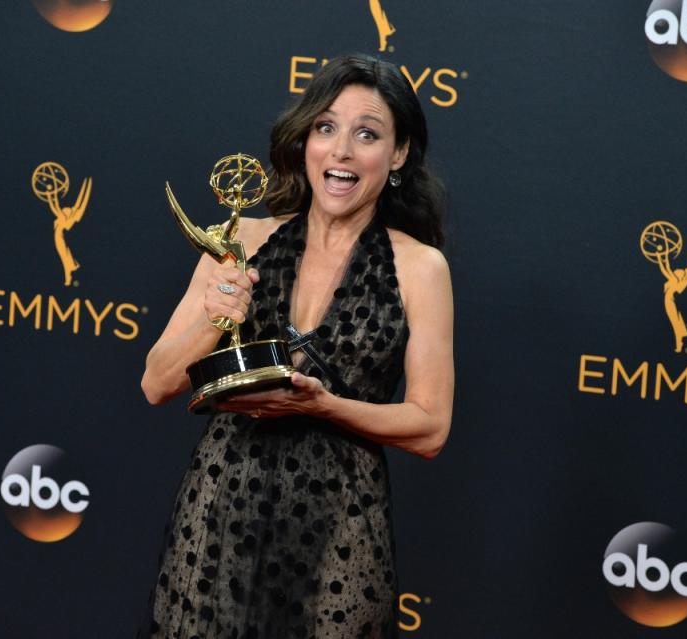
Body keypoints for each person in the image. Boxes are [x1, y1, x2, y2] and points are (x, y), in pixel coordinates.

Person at [138, 53, 454, 639]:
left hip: (341, 530)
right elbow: (158, 382)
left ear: (400, 153)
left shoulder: (420, 268)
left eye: (367, 134)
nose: (341, 150)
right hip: (219, 515)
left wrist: (323, 406)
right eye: (326, 127)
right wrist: (216, 314)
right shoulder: (241, 237)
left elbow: (431, 428)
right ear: (305, 139)